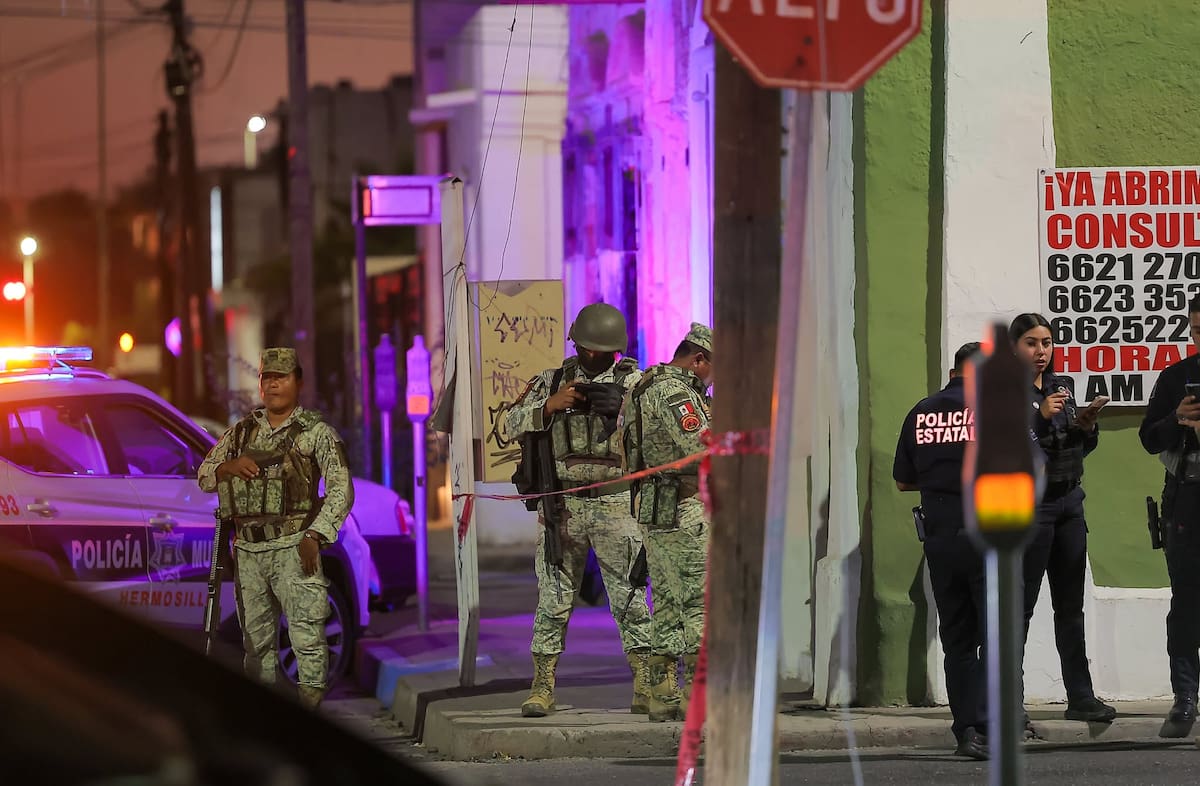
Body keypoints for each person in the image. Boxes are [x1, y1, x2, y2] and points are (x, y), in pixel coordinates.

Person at [500, 303, 653, 718]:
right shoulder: (553, 381)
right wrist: (548, 406)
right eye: (585, 348)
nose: (590, 357)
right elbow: (505, 425)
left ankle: (645, 682)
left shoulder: (636, 384)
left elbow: (657, 437)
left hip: (616, 503)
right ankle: (542, 685)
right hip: (562, 505)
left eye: (599, 351)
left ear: (615, 351)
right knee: (553, 598)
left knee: (629, 598)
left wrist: (623, 411)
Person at [197, 347, 354, 710]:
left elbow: (341, 489)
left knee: (307, 641)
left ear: (298, 381)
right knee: (257, 647)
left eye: (281, 377)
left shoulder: (315, 434)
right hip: (250, 553)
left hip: (294, 547)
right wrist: (227, 467)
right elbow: (204, 475)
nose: (273, 385)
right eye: (267, 378)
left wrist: (316, 534)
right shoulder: (240, 433)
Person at [1009, 313, 1116, 724]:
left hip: (1069, 501)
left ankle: (1081, 695)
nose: (1041, 352)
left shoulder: (1061, 388)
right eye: (1032, 343)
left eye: (1047, 343)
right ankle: (1010, 701)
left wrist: (1085, 427)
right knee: (1021, 607)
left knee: (1070, 606)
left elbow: (1074, 448)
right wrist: (1037, 416)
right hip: (1031, 509)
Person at [893, 342, 988, 760]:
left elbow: (902, 480)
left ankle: (966, 730)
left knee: (957, 638)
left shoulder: (921, 412)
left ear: (953, 371)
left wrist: (939, 483)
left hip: (941, 536)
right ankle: (990, 724)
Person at [619, 323, 712, 722]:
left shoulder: (645, 385)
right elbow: (702, 443)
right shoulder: (675, 392)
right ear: (699, 359)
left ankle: (661, 694)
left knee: (668, 604)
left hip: (657, 508)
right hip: (683, 507)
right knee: (697, 601)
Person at [1139, 294, 1200, 738]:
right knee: (1186, 602)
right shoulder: (1177, 377)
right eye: (1196, 331)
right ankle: (1185, 699)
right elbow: (1148, 438)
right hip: (1188, 497)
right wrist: (1177, 420)